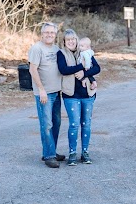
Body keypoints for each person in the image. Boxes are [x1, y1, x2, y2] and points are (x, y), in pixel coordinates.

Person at [57, 29, 101, 166]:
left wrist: (85, 75)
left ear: (77, 40)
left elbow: (97, 68)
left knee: (86, 123)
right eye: (68, 39)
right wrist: (81, 67)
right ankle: (72, 153)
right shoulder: (61, 53)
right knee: (74, 124)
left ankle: (85, 152)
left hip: (87, 94)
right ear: (64, 42)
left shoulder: (84, 52)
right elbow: (63, 70)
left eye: (73, 39)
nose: (71, 41)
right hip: (70, 95)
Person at [28, 22, 65, 168]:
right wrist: (41, 89)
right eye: (47, 32)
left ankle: (51, 151)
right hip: (44, 94)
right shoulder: (36, 48)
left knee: (56, 123)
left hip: (56, 92)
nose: (49, 35)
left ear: (55, 35)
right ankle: (49, 156)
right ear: (42, 33)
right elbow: (32, 69)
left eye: (52, 32)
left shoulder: (56, 49)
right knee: (47, 124)